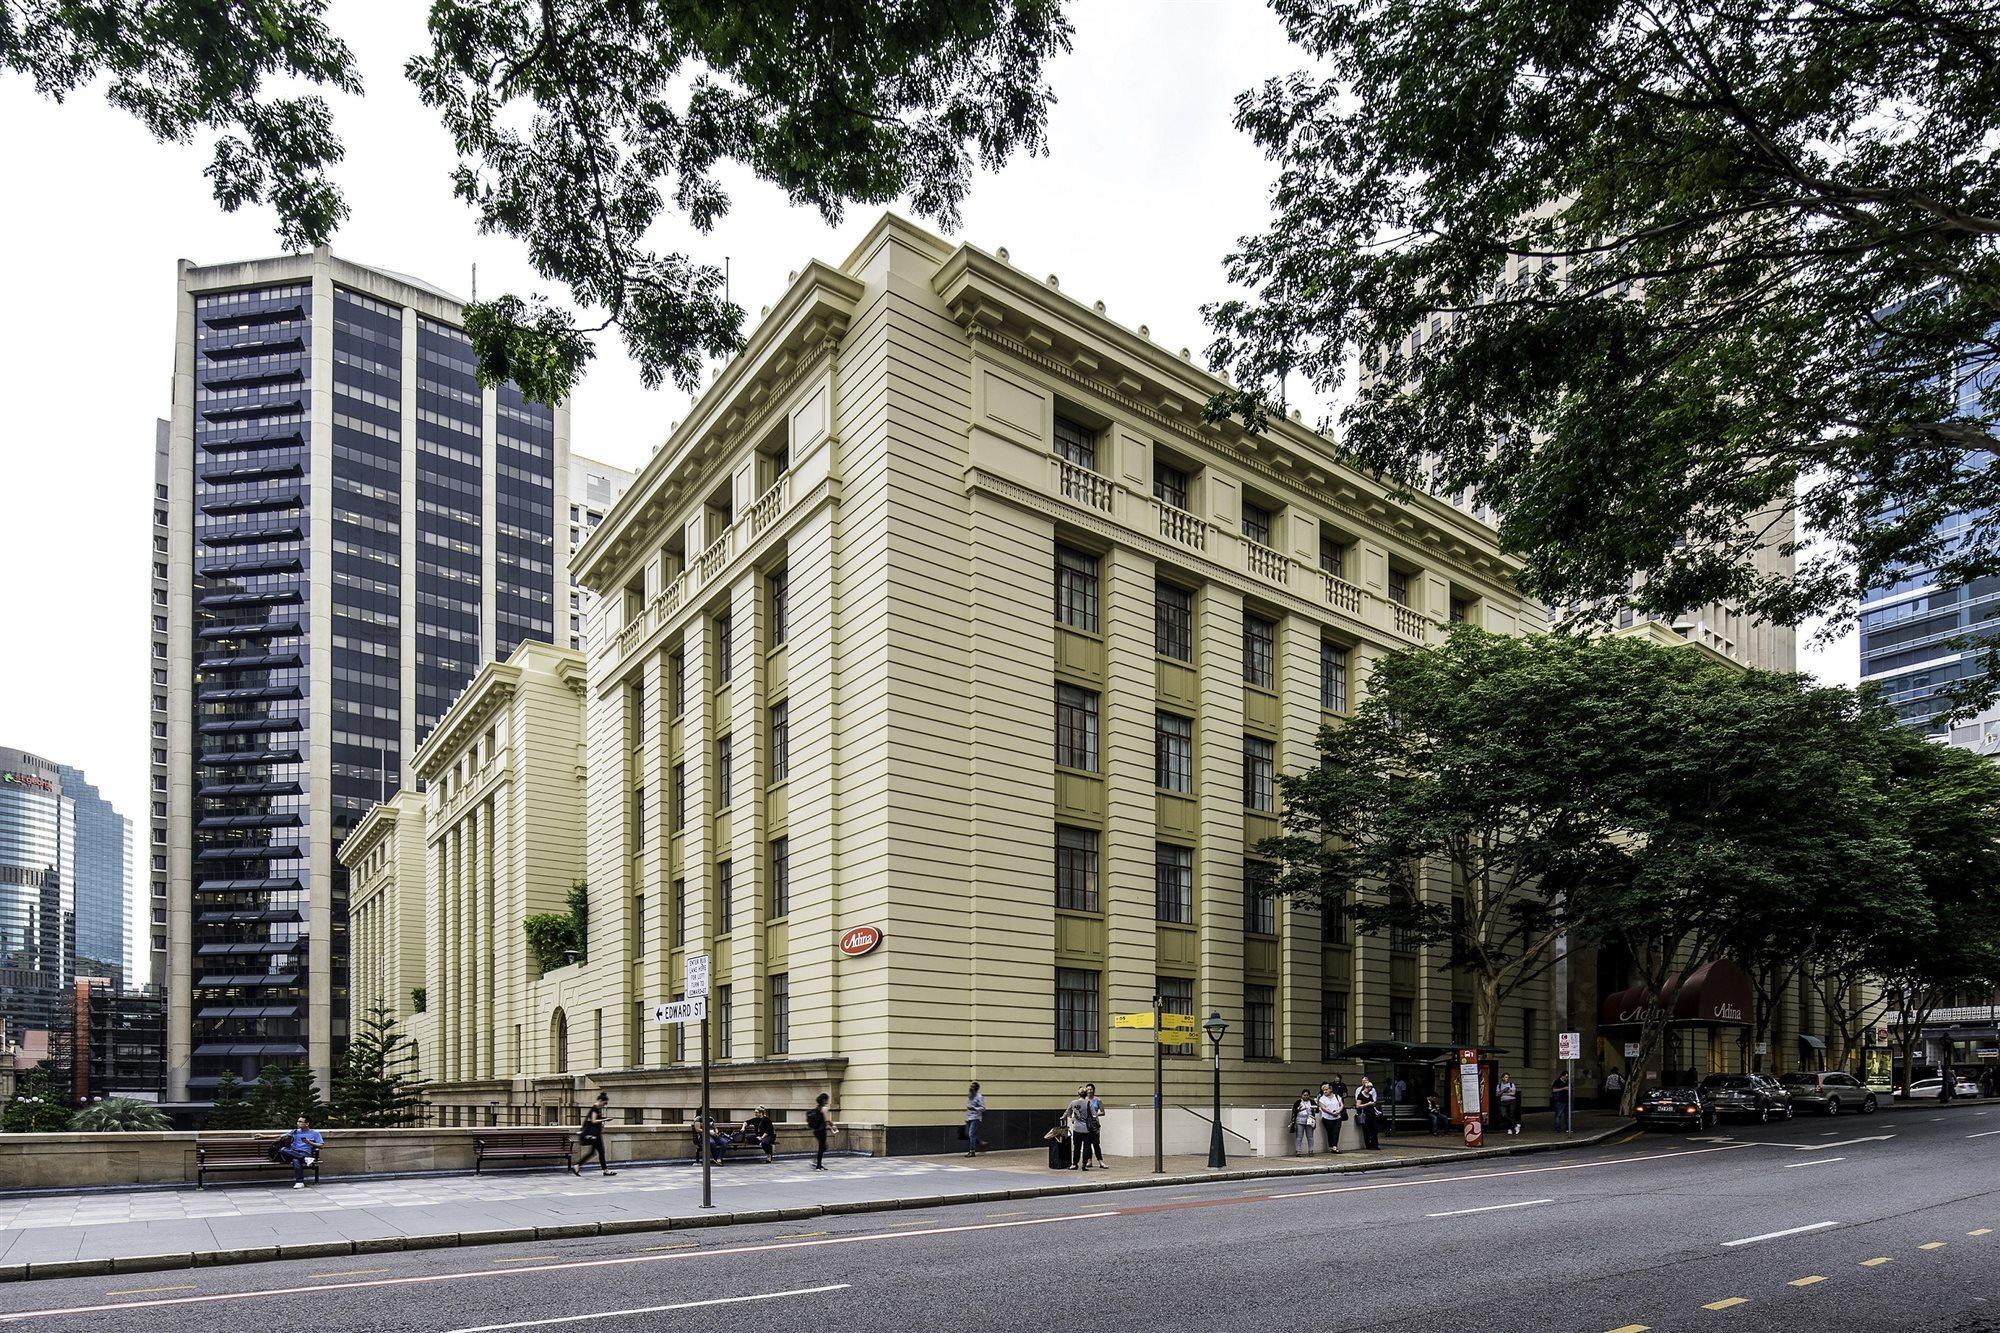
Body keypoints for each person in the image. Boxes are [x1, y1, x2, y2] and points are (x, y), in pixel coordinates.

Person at [574, 1091, 618, 1175]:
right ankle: (605, 1170)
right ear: (600, 1100)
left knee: (593, 1152)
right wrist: (605, 1119)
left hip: (595, 1134)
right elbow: (594, 1121)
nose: (604, 1105)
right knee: (601, 1152)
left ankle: (577, 1165)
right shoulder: (594, 1109)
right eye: (604, 1103)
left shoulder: (597, 1109)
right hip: (594, 1135)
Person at [277, 1113, 323, 1189]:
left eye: (300, 1122)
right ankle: (305, 1159)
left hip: (305, 1153)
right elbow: (280, 1136)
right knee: (282, 1149)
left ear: (307, 1123)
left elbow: (321, 1146)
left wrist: (309, 1142)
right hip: (293, 1152)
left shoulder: (315, 1133)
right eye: (298, 1121)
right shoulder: (295, 1131)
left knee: (296, 1160)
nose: (298, 1123)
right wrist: (264, 1136)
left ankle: (299, 1182)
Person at [1064, 1086, 1095, 1170]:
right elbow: (1094, 1115)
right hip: (1087, 1129)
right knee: (1086, 1147)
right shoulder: (1088, 1103)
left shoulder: (1073, 1102)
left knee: (1076, 1147)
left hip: (1077, 1128)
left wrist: (1072, 1118)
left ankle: (1074, 1164)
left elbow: (1068, 1112)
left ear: (1078, 1094)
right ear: (1086, 1094)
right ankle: (1084, 1165)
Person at [807, 1092, 834, 1170]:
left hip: (816, 1130)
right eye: (827, 1099)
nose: (827, 1101)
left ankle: (818, 1163)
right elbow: (827, 1120)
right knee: (822, 1147)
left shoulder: (817, 1109)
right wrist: (833, 1125)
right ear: (824, 1100)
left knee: (823, 1147)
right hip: (822, 1130)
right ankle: (817, 1165)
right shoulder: (824, 1108)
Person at [1316, 1081, 1344, 1153]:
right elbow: (1323, 1108)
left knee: (1336, 1132)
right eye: (1323, 1090)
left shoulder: (1337, 1096)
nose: (1325, 1091)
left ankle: (1335, 1147)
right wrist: (1331, 1113)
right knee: (1330, 1132)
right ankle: (1332, 1146)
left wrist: (1338, 1111)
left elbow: (1341, 1105)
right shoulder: (1322, 1098)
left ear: (1330, 1089)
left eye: (1326, 1089)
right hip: (1327, 1118)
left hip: (1337, 1117)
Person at [1355, 1077, 1381, 1150]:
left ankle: (1375, 1144)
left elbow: (1373, 1103)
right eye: (1367, 1088)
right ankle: (1368, 1145)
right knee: (1366, 1130)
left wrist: (1372, 1104)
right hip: (1365, 1114)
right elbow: (1358, 1105)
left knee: (1374, 1129)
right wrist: (1368, 1104)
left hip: (1372, 1114)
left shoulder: (1370, 1095)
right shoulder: (1360, 1095)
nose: (1368, 1089)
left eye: (1370, 1088)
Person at [1084, 1083, 1106, 1166]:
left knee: (1096, 1143)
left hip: (1095, 1125)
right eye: (1088, 1089)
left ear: (1093, 1090)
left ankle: (1100, 1161)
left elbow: (1103, 1112)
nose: (1089, 1091)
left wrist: (1096, 1115)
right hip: (1086, 1125)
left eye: (1091, 1089)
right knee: (1087, 1143)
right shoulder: (1084, 1100)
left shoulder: (1098, 1100)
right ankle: (1089, 1161)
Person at [1292, 1088, 1318, 1155]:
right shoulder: (1298, 1102)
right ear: (1301, 1095)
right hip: (1300, 1120)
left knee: (1310, 1137)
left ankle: (1311, 1150)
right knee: (1299, 1137)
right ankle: (1298, 1150)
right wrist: (1299, 1109)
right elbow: (1294, 1111)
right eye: (1304, 1095)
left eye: (1307, 1095)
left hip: (1309, 1120)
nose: (1306, 1096)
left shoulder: (1312, 1102)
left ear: (1309, 1095)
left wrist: (1315, 1108)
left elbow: (1317, 1110)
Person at [965, 1082, 986, 1157]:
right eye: (971, 1086)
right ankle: (981, 1143)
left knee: (971, 1134)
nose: (971, 1088)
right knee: (968, 1134)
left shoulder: (979, 1097)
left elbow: (983, 1108)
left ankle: (972, 1151)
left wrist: (974, 1108)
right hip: (969, 1117)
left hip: (976, 1118)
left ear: (976, 1089)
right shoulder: (970, 1096)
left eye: (973, 1087)